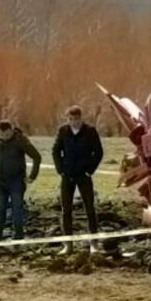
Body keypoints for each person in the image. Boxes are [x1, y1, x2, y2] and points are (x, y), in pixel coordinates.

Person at [52, 105, 104, 253]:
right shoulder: (63, 131)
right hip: (67, 175)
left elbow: (98, 152)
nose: (74, 122)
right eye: (71, 119)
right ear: (67, 119)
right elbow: (55, 150)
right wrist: (60, 170)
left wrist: (90, 170)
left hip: (84, 175)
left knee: (89, 208)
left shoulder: (90, 132)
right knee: (66, 210)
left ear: (81, 118)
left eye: (76, 119)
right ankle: (68, 244)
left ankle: (94, 243)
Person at [0, 119, 41, 241]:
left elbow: (36, 157)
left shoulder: (20, 140)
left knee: (17, 209)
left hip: (16, 181)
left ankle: (18, 236)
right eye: (2, 134)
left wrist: (32, 176)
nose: (5, 137)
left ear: (11, 130)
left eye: (7, 134)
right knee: (0, 209)